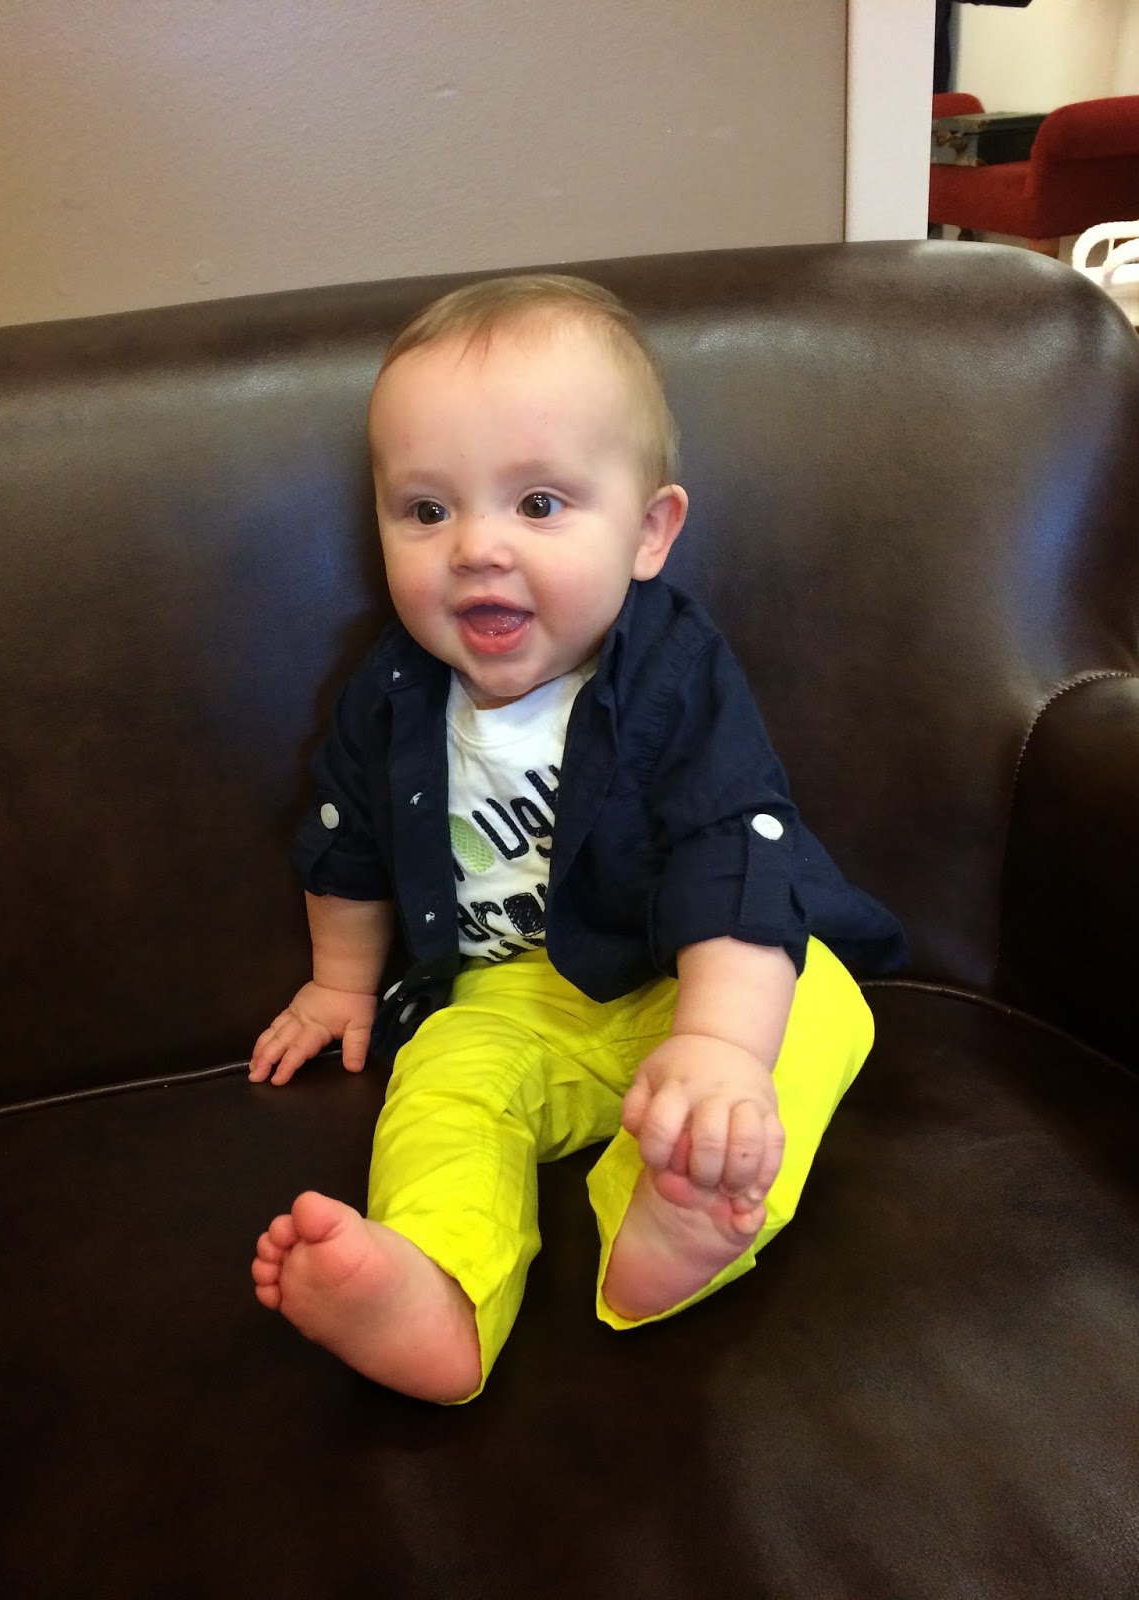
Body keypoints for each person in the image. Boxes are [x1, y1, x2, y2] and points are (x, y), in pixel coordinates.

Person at [249, 274, 907, 1404]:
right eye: (426, 512)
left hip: (683, 976)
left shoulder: (675, 675)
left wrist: (720, 1045)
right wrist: (340, 986)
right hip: (512, 999)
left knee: (819, 1006)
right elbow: (346, 839)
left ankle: (675, 1210)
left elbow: (732, 850)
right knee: (444, 1082)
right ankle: (437, 1285)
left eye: (539, 504)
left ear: (649, 533)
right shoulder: (392, 696)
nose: (476, 548)